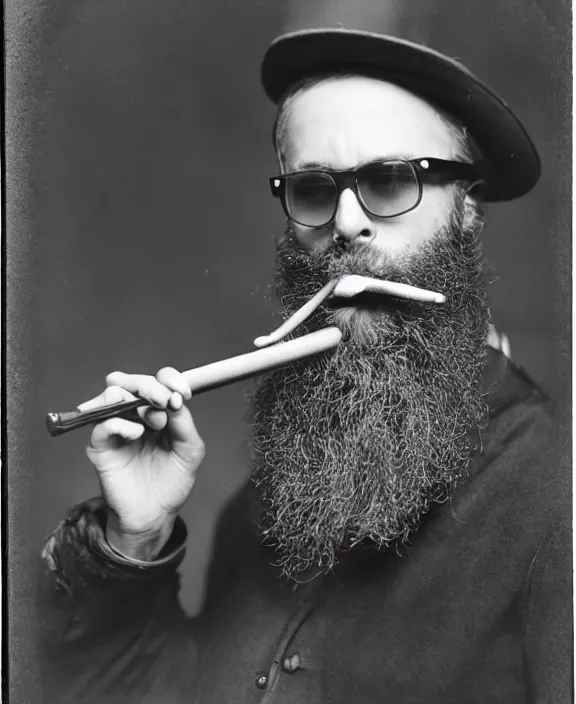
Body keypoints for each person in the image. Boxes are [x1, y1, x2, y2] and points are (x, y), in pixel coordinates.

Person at [39, 29, 571, 703]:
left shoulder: (558, 505)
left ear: (468, 212)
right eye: (315, 189)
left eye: (389, 180)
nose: (346, 222)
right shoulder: (272, 501)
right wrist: (134, 540)